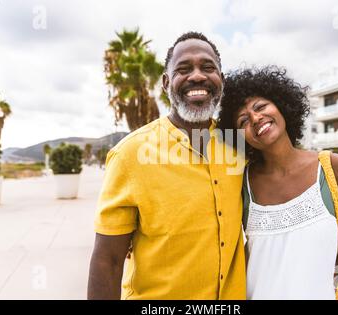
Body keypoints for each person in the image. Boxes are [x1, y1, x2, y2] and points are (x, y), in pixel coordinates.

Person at [87, 32, 246, 300]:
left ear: (222, 80)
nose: (197, 76)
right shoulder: (131, 154)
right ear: (165, 82)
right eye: (183, 69)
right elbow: (108, 260)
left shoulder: (239, 146)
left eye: (208, 67)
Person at [217, 66, 338, 300]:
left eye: (260, 107)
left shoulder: (333, 168)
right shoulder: (242, 183)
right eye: (243, 121)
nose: (256, 118)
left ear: (281, 105)